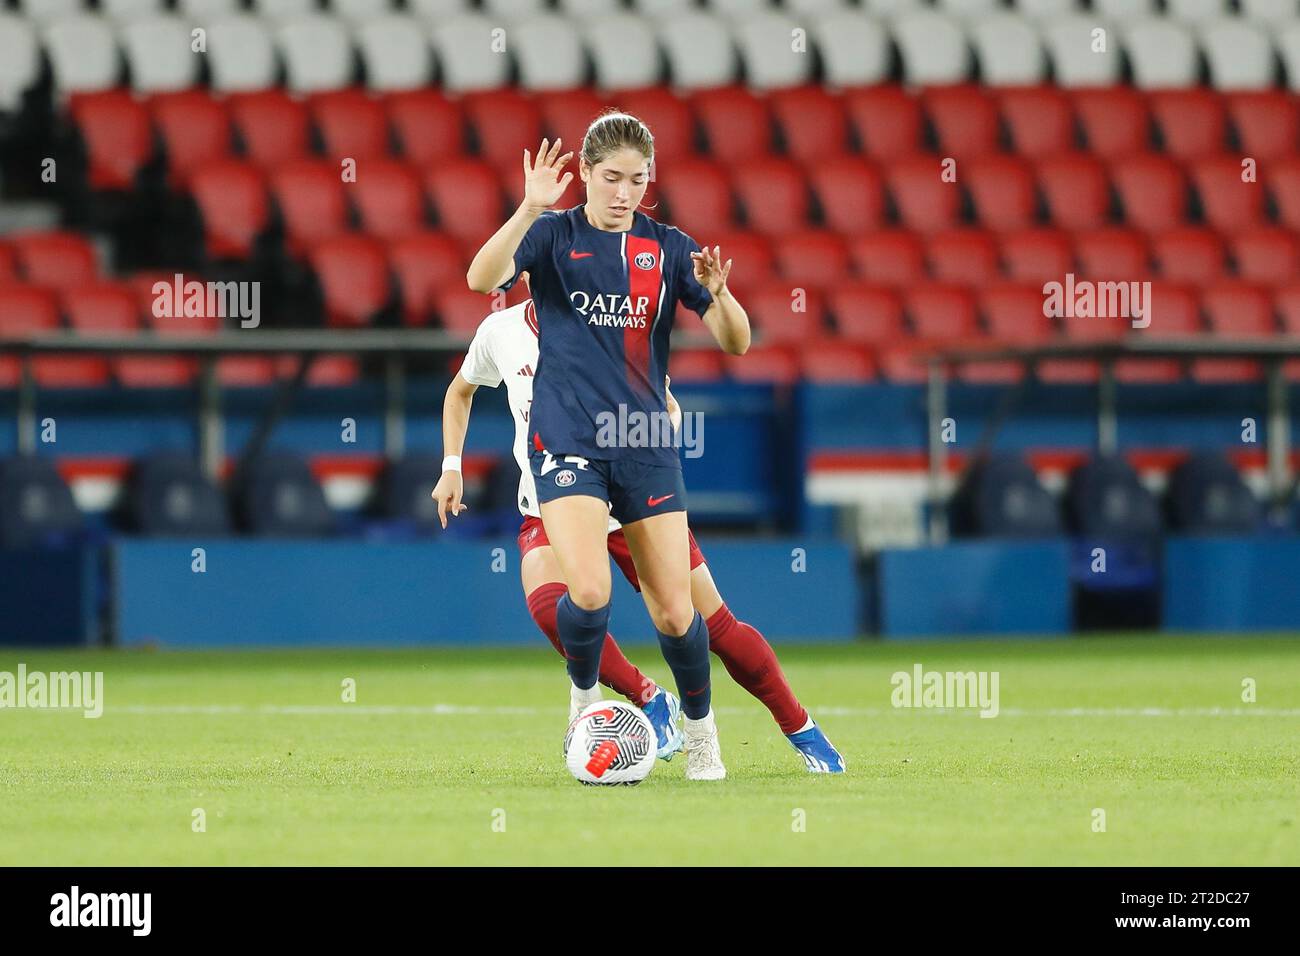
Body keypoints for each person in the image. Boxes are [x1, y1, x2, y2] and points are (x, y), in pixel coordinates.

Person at [432, 283, 846, 773]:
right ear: (528, 273)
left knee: (713, 628)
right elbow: (460, 391)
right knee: (549, 607)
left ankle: (800, 727)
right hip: (552, 503)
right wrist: (452, 465)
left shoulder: (615, 330)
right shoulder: (500, 331)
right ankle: (650, 697)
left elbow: (667, 410)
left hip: (632, 504)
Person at [465, 115, 747, 779]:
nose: (624, 192)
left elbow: (735, 341)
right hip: (566, 439)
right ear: (586, 175)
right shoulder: (554, 235)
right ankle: (585, 697)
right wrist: (530, 204)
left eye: (637, 180)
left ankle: (703, 735)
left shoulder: (670, 248)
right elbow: (482, 279)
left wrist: (724, 294)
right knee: (588, 593)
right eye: (612, 177)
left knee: (676, 610)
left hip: (645, 440)